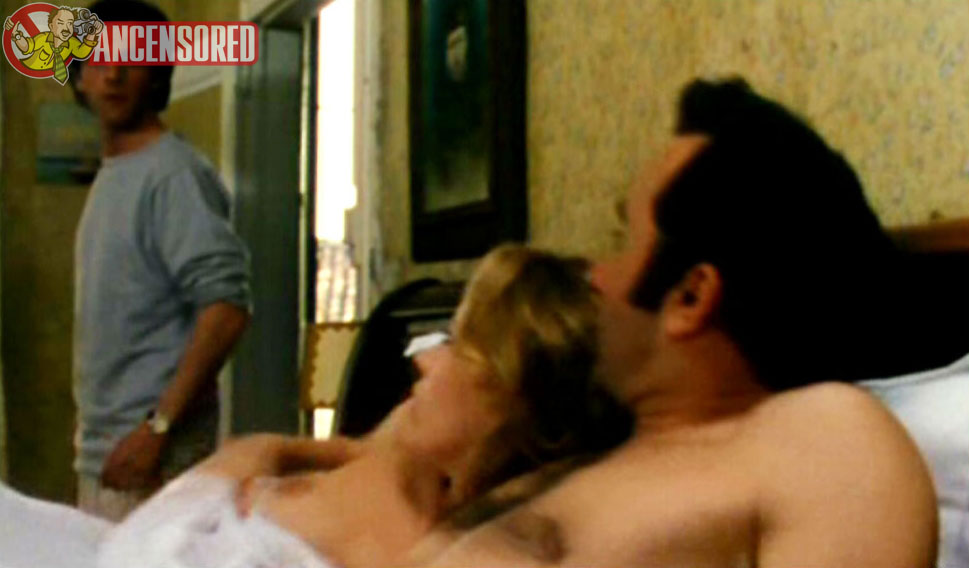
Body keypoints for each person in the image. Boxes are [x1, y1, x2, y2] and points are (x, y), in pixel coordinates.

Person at [422, 78, 939, 567]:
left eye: (623, 241)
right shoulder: (587, 451)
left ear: (691, 297)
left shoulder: (825, 438)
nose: (596, 274)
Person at [96, 244, 632, 568]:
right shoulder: (402, 442)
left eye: (457, 345)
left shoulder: (479, 546)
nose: (425, 360)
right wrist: (273, 462)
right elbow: (252, 451)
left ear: (510, 402)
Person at [69, 0, 251, 521]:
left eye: (132, 57)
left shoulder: (173, 174)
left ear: (156, 72)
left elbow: (226, 309)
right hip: (108, 455)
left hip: (155, 463)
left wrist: (158, 428)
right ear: (79, 76)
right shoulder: (117, 172)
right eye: (99, 57)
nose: (114, 73)